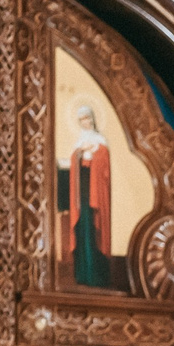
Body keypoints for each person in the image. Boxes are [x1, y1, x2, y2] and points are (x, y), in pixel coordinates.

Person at [60, 103, 112, 289]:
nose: (85, 122)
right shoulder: (79, 141)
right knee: (82, 228)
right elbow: (74, 160)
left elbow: (104, 167)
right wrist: (80, 153)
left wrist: (94, 153)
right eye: (82, 120)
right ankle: (82, 274)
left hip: (95, 194)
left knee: (93, 229)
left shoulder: (100, 141)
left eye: (87, 118)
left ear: (92, 119)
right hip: (81, 192)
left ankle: (96, 276)